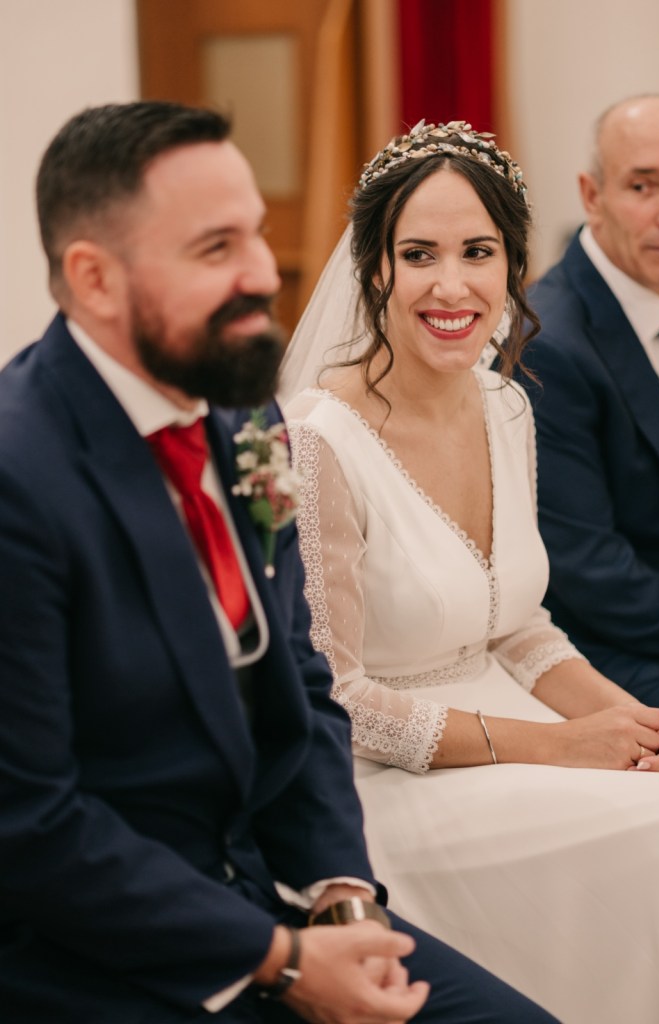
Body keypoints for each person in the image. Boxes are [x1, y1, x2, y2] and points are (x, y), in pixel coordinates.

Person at [0, 102, 558, 1024]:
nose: (264, 272)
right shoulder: (20, 476)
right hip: (99, 955)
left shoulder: (245, 419)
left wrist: (343, 899)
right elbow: (29, 826)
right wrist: (283, 961)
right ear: (95, 278)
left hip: (272, 891)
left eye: (256, 233)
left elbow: (302, 684)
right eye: (216, 247)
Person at [280, 118, 659, 1024]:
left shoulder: (506, 404)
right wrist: (562, 745)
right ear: (374, 268)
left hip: (521, 729)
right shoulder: (318, 440)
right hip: (396, 785)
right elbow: (339, 700)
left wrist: (627, 720)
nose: (452, 285)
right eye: (418, 254)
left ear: (511, 264)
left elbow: (520, 628)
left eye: (478, 252)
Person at [514, 94, 659, 715]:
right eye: (643, 186)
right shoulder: (550, 345)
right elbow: (589, 569)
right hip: (609, 648)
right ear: (593, 196)